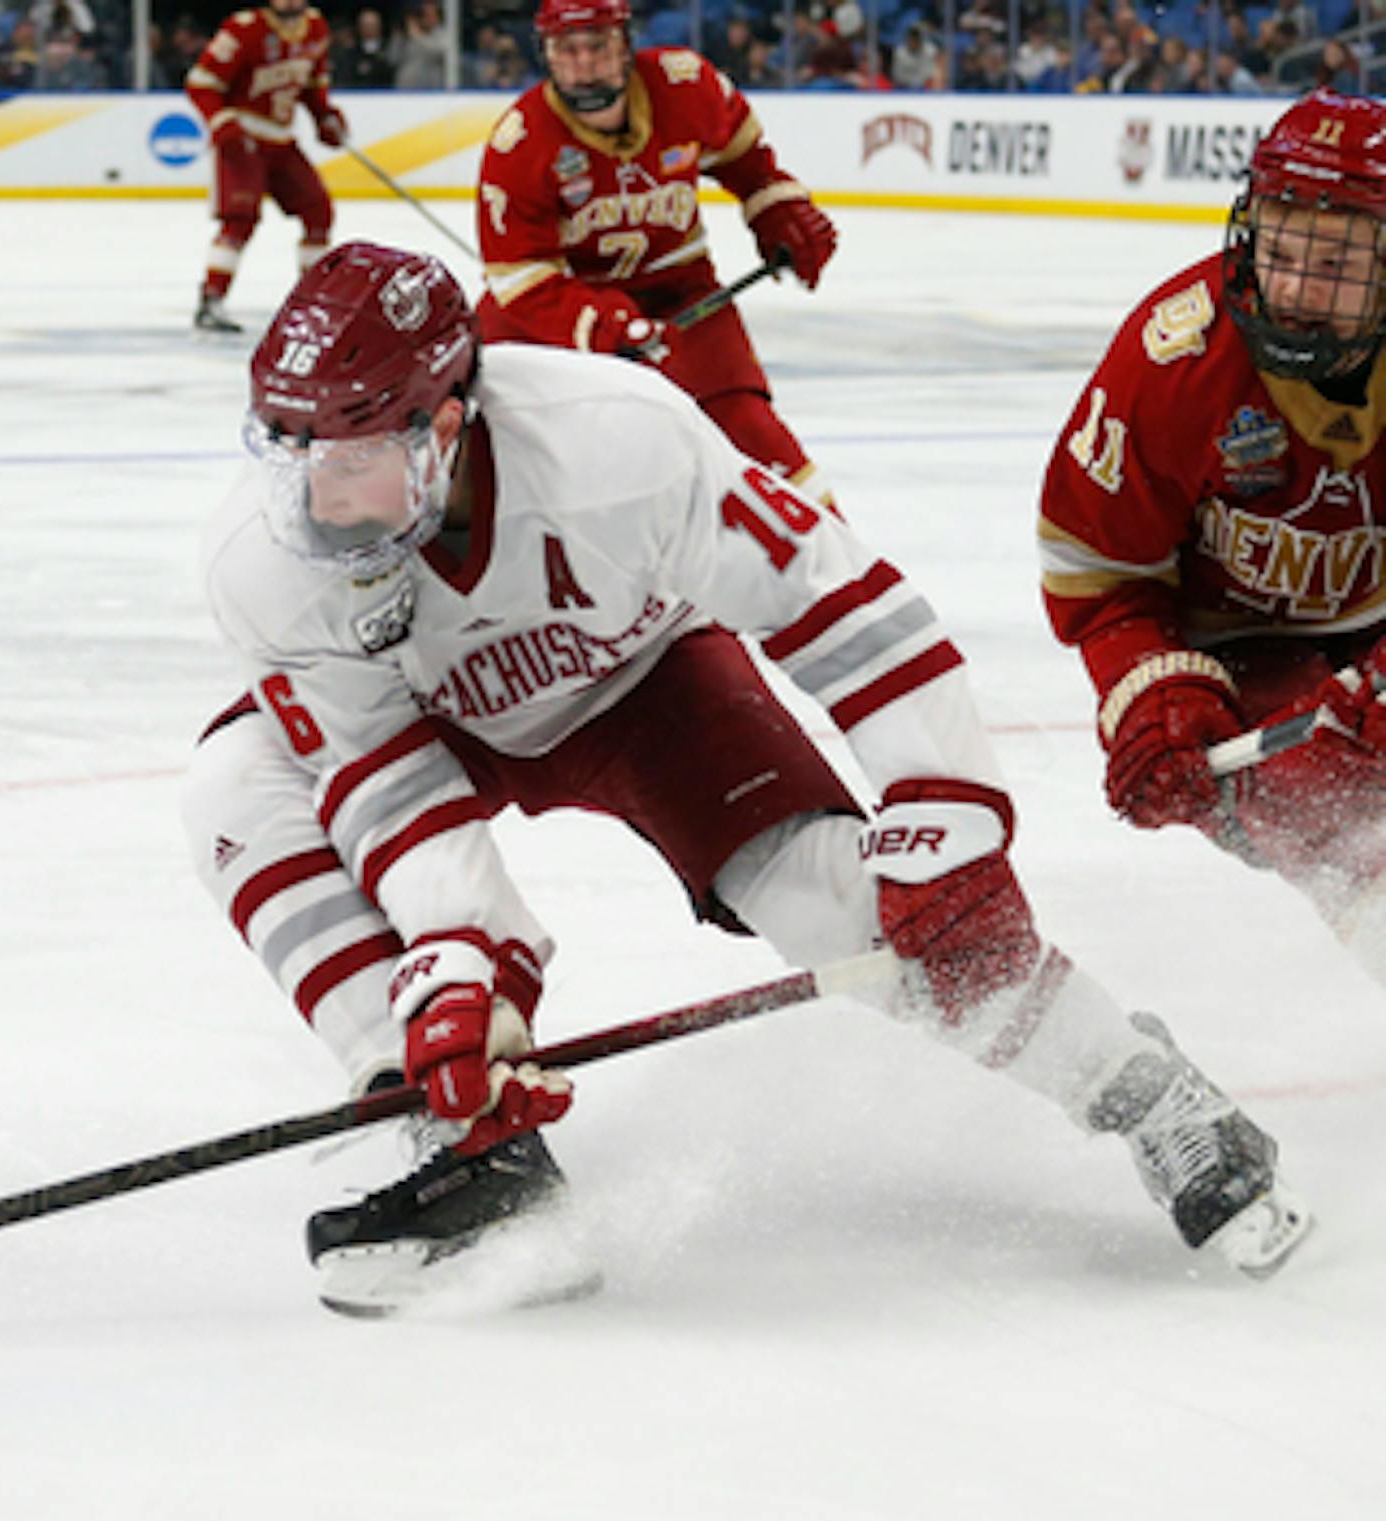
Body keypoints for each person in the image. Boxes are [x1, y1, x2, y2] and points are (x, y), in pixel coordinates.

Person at [185, 242, 1311, 1316]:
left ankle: (1152, 1094)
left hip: (646, 684)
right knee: (235, 784)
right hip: (439, 724)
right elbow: (381, 776)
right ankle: (467, 1140)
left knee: (859, 912)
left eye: (351, 458)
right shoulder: (265, 561)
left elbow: (842, 603)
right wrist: (463, 978)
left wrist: (943, 805)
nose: (315, 503)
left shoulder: (617, 443)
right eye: (291, 454)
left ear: (443, 425)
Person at [1041, 91, 1386, 1002]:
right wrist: (1158, 689)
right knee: (1345, 822)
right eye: (1279, 249)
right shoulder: (1172, 360)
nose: (1300, 291)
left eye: (1338, 263)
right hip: (1241, 648)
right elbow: (1097, 573)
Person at [476, 0, 839, 502]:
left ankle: (832, 569)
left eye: (597, 45)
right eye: (567, 49)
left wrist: (776, 209)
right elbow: (521, 280)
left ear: (625, 43)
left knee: (754, 438)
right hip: (558, 316)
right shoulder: (520, 143)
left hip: (680, 293)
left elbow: (745, 157)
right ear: (546, 53)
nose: (583, 63)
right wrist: (604, 326)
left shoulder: (685, 86)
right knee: (496, 458)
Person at [183, 0, 347, 334]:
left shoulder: (315, 28)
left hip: (282, 140)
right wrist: (222, 122)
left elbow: (313, 87)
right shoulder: (244, 28)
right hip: (244, 135)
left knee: (318, 211)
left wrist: (324, 117)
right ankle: (211, 299)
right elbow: (201, 83)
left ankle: (312, 301)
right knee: (240, 219)